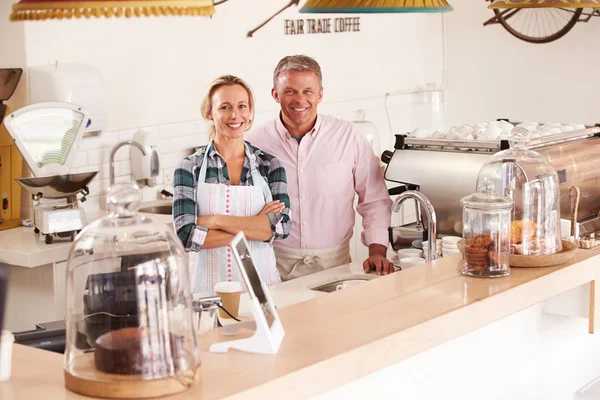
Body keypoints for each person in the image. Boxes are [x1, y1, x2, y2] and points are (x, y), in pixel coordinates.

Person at [246, 55, 393, 280]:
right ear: (275, 94)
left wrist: (377, 249)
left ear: (320, 94)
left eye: (308, 91)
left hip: (336, 266)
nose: (300, 100)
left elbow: (374, 199)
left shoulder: (348, 136)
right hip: (272, 265)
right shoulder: (255, 143)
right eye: (290, 91)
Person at [173, 75, 291, 295]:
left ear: (250, 111)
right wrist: (259, 228)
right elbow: (186, 236)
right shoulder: (189, 168)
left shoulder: (269, 165)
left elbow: (282, 228)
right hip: (206, 293)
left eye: (242, 106)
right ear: (210, 112)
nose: (235, 115)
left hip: (263, 290)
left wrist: (214, 221)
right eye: (225, 107)